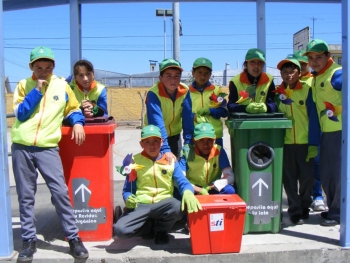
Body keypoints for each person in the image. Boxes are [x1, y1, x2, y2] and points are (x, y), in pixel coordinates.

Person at [11, 46, 89, 261]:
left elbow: (73, 108)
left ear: (54, 67)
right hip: (22, 146)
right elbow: (22, 113)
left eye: (47, 67)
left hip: (47, 147)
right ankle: (29, 240)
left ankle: (73, 238)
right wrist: (37, 90)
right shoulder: (23, 85)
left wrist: (78, 123)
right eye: (38, 68)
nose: (43, 71)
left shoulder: (62, 86)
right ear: (31, 68)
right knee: (26, 197)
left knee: (60, 193)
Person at [113, 125, 202, 244]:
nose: (152, 145)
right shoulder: (133, 162)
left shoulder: (170, 161)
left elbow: (182, 181)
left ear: (162, 142)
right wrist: (128, 198)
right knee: (120, 230)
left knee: (177, 206)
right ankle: (147, 228)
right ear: (141, 144)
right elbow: (127, 190)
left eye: (156, 141)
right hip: (141, 205)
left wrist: (188, 191)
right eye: (147, 142)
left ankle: (161, 230)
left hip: (164, 203)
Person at [274, 56, 320, 225]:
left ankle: (305, 205)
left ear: (299, 73)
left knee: (307, 178)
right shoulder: (278, 93)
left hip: (304, 143)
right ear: (281, 75)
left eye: (292, 71)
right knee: (289, 178)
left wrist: (314, 143)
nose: (289, 75)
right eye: (285, 72)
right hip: (286, 143)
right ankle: (294, 209)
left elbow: (314, 118)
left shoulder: (307, 90)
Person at [304, 39, 342, 227]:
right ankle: (334, 209)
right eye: (311, 58)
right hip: (327, 133)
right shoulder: (318, 76)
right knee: (328, 175)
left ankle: (340, 213)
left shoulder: (336, 75)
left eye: (319, 57)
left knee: (339, 175)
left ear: (328, 56)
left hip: (341, 133)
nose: (314, 61)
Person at [293, 50, 327, 212]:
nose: (302, 67)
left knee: (316, 165)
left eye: (303, 64)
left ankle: (317, 196)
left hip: (316, 130)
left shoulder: (313, 81)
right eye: (298, 64)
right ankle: (300, 199)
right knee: (299, 170)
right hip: (298, 136)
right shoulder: (289, 85)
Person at [145, 58, 194, 160]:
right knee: (159, 168)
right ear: (160, 78)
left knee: (178, 164)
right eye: (168, 76)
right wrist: (165, 148)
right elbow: (157, 122)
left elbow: (187, 118)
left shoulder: (184, 91)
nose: (173, 80)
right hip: (155, 137)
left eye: (177, 76)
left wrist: (188, 142)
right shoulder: (154, 94)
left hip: (175, 135)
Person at [179, 123, 235, 195]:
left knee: (230, 190)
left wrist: (212, 185)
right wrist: (198, 189)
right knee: (179, 193)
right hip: (193, 188)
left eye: (209, 140)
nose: (206, 144)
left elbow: (230, 175)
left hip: (212, 187)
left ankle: (215, 205)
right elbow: (179, 179)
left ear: (214, 139)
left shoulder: (218, 150)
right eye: (201, 140)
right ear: (194, 140)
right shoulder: (187, 153)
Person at [189, 58, 228, 147]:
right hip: (196, 137)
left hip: (214, 137)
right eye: (199, 72)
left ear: (210, 74)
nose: (203, 76)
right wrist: (193, 116)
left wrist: (210, 111)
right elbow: (182, 114)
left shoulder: (217, 91)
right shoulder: (187, 93)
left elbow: (224, 111)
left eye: (206, 73)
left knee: (219, 160)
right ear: (193, 73)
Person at [227, 48, 277, 113]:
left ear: (263, 65)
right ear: (245, 64)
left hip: (264, 121)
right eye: (252, 62)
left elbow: (274, 105)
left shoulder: (269, 80)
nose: (256, 66)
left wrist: (266, 107)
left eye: (260, 62)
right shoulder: (236, 81)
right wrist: (246, 108)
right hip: (242, 122)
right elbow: (231, 106)